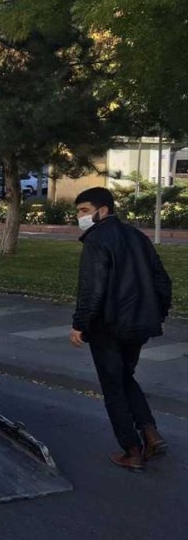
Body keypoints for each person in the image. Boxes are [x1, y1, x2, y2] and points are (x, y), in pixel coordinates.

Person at [68, 187, 172, 471]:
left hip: (109, 325)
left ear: (103, 211)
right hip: (139, 324)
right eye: (78, 212)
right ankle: (150, 433)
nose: (80, 217)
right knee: (126, 377)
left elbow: (92, 289)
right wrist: (158, 313)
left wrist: (80, 324)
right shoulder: (138, 236)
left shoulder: (97, 240)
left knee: (113, 386)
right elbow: (162, 280)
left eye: (84, 211)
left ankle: (132, 450)